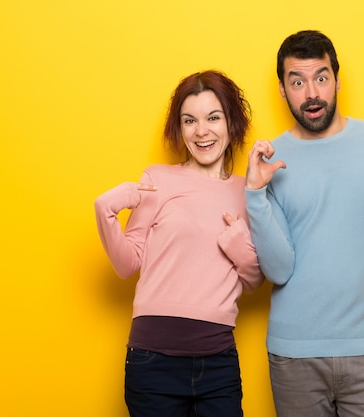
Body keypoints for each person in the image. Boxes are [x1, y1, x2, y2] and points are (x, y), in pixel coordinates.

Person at [245, 30, 364, 417]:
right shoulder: (271, 160)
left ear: (337, 80)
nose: (311, 92)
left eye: (321, 77)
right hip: (294, 355)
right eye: (297, 81)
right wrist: (255, 195)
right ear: (282, 90)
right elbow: (278, 270)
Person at [94, 70, 264, 417]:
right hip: (152, 362)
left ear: (231, 123)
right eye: (190, 120)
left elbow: (255, 279)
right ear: (180, 128)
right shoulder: (157, 180)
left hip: (218, 363)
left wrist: (235, 242)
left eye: (213, 118)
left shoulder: (248, 191)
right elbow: (128, 264)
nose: (201, 131)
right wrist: (106, 211)